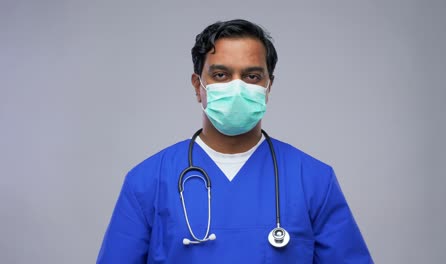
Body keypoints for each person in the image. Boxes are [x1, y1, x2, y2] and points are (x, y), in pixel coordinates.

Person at [97, 19, 373, 263]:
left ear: (268, 87)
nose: (237, 87)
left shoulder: (313, 180)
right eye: (221, 75)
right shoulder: (147, 182)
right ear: (198, 86)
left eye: (252, 76)